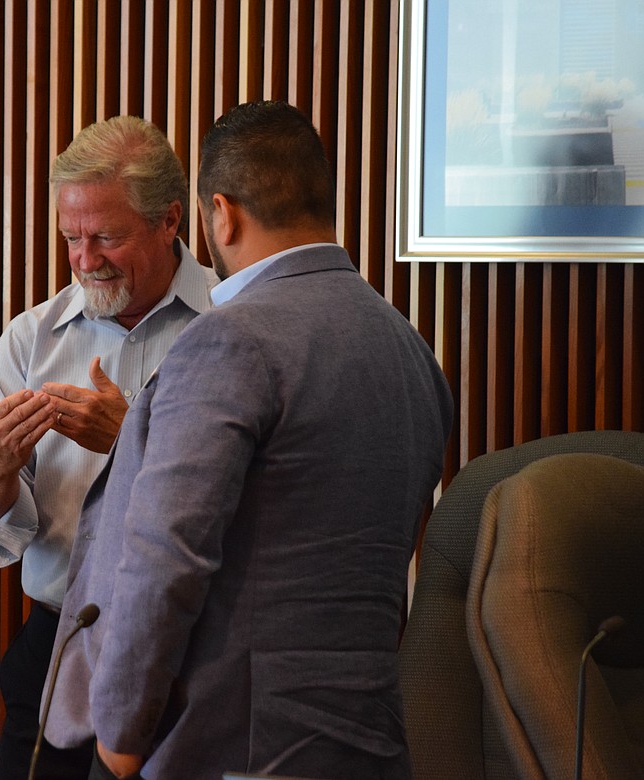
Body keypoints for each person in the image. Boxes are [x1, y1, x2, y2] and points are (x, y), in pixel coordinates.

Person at [43, 101, 455, 780]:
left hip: (230, 750)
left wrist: (117, 739)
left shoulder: (230, 340)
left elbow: (165, 557)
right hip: (369, 745)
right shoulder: (411, 352)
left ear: (220, 213)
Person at [0, 115, 216, 779]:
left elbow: (258, 499)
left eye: (106, 237)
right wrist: (0, 466)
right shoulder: (35, 338)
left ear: (170, 220)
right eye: (71, 238)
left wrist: (131, 441)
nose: (84, 260)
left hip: (196, 656)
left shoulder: (231, 326)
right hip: (61, 643)